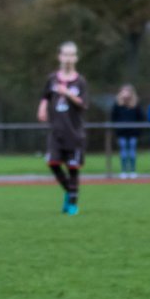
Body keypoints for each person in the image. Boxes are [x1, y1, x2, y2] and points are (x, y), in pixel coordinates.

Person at [38, 41, 87, 214]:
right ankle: (70, 192)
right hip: (56, 132)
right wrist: (42, 107)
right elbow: (45, 96)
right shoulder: (52, 79)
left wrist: (68, 94)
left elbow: (83, 104)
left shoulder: (80, 81)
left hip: (74, 133)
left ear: (76, 58)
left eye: (71, 55)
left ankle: (72, 203)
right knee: (52, 163)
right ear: (60, 57)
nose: (68, 58)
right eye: (65, 54)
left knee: (73, 169)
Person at [110, 84, 144, 179]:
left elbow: (140, 118)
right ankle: (123, 171)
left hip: (133, 132)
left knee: (132, 151)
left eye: (127, 91)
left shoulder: (136, 104)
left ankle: (133, 171)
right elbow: (113, 117)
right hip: (121, 132)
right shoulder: (117, 105)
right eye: (123, 91)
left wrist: (138, 129)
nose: (125, 93)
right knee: (123, 152)